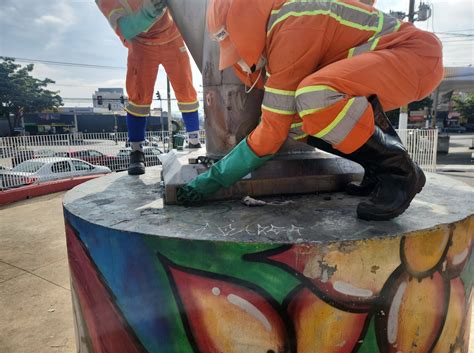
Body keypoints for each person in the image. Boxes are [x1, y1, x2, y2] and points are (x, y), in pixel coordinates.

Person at [177, 0, 443, 221]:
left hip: (414, 56)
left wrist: (212, 180)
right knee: (297, 119)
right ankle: (376, 167)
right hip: (394, 61)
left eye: (235, 46)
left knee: (314, 96)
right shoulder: (281, 24)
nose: (243, 63)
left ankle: (399, 171)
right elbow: (282, 123)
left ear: (245, 22)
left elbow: (271, 133)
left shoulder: (292, 24)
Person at [96, 0, 201, 176]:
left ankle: (194, 141)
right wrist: (148, 12)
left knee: (187, 92)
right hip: (140, 43)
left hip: (173, 36)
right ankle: (136, 152)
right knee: (138, 98)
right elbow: (125, 28)